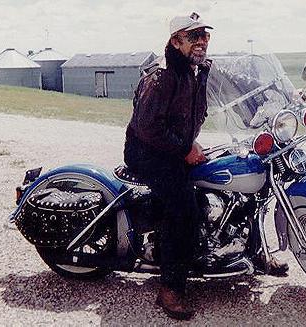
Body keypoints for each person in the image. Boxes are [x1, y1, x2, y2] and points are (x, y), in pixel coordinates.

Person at [124, 12, 288, 320]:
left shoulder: (201, 69)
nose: (201, 41)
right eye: (193, 36)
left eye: (205, 36)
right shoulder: (160, 77)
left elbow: (241, 85)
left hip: (178, 149)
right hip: (148, 153)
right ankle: (170, 288)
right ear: (176, 41)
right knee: (183, 208)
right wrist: (185, 148)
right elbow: (148, 128)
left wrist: (281, 96)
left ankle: (253, 252)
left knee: (244, 185)